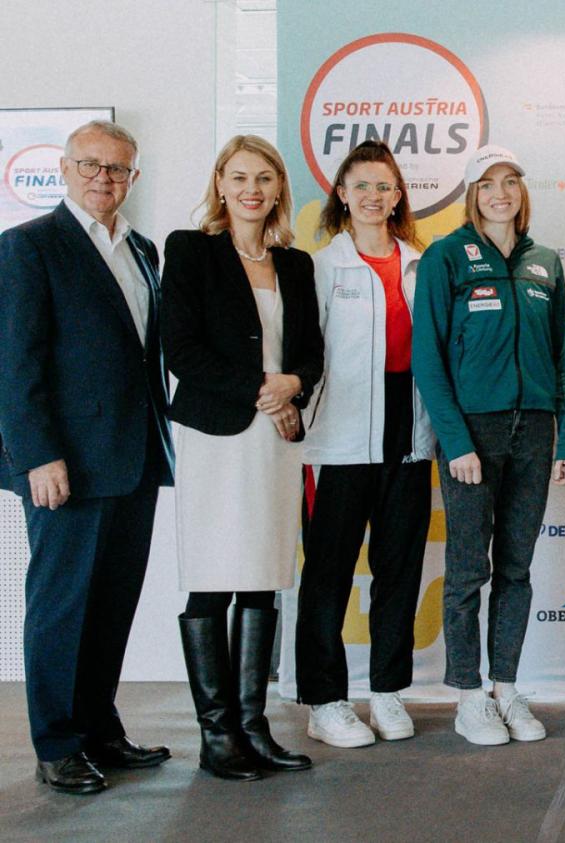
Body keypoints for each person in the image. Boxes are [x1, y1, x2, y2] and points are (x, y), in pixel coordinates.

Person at [0, 120, 174, 794]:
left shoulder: (142, 248)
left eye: (118, 168)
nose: (104, 177)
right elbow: (15, 363)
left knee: (111, 603)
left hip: (134, 455)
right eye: (91, 165)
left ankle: (100, 728)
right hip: (65, 464)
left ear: (134, 177)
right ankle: (57, 743)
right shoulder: (28, 246)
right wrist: (37, 455)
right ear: (65, 170)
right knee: (61, 604)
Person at [162, 134, 323, 781]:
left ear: (279, 186)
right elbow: (181, 350)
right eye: (239, 177)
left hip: (277, 440)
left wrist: (293, 386)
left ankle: (253, 728)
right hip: (217, 436)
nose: (252, 189)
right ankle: (216, 735)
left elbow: (310, 354)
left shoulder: (296, 264)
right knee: (213, 576)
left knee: (262, 574)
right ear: (220, 184)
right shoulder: (191, 250)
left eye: (264, 178)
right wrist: (267, 391)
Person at [411, 145, 565, 746]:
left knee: (516, 567)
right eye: (487, 184)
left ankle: (506, 688)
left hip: (533, 431)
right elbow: (428, 359)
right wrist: (455, 440)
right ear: (471, 194)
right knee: (466, 569)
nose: (500, 193)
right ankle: (468, 695)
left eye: (510, 181)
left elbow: (560, 359)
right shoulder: (445, 256)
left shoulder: (545, 263)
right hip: (472, 435)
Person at [297, 139, 434, 748]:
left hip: (409, 431)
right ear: (342, 195)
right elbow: (305, 355)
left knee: (398, 569)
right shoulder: (322, 267)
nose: (373, 196)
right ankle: (324, 700)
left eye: (384, 186)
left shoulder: (422, 265)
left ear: (398, 195)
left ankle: (387, 691)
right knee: (327, 573)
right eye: (362, 186)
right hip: (341, 438)